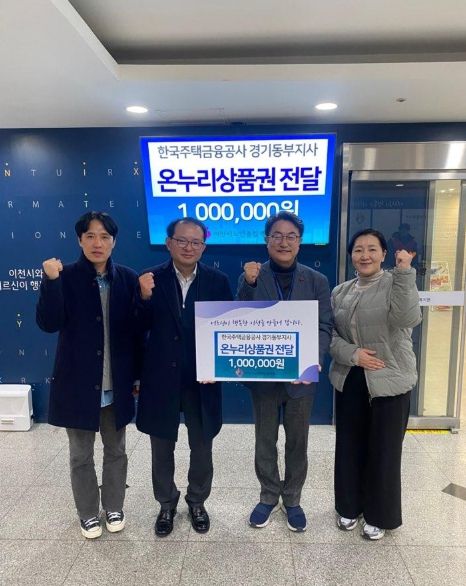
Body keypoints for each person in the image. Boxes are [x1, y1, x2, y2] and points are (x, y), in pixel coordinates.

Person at [36, 211, 142, 539]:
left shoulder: (127, 279)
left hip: (116, 383)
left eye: (105, 237)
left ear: (114, 242)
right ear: (79, 240)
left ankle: (114, 505)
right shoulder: (64, 276)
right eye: (90, 236)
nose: (98, 243)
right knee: (81, 454)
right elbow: (48, 323)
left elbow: (136, 333)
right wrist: (51, 282)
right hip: (78, 385)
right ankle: (87, 512)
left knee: (116, 450)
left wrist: (136, 376)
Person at [136, 217, 233, 537]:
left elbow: (227, 331)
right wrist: (143, 298)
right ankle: (166, 503)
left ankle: (197, 501)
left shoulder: (218, 281)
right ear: (169, 243)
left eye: (196, 242)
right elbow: (135, 329)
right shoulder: (149, 279)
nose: (189, 247)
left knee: (202, 446)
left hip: (202, 379)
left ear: (204, 246)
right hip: (160, 379)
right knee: (161, 447)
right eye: (182, 240)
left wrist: (219, 367)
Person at [237, 211, 332, 532]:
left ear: (300, 242)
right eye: (276, 235)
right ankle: (268, 495)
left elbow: (324, 325)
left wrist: (315, 358)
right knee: (264, 440)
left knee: (297, 441)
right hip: (263, 377)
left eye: (291, 236)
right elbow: (240, 317)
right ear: (266, 241)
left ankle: (292, 499)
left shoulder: (316, 280)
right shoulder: (252, 275)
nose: (283, 242)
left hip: (301, 378)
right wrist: (249, 284)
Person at [329, 228, 421, 540]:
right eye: (358, 249)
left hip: (389, 379)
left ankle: (379, 515)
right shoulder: (340, 291)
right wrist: (353, 354)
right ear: (351, 255)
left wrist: (405, 271)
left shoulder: (397, 282)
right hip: (351, 376)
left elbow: (407, 319)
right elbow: (331, 336)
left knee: (384, 451)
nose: (364, 255)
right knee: (349, 446)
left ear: (383, 254)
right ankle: (348, 507)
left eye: (372, 249)